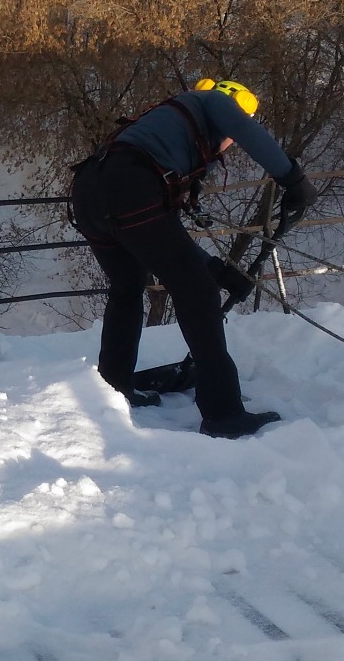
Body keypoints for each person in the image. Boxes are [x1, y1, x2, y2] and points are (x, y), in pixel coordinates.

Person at [69, 79, 318, 439]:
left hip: (91, 191)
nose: (230, 144)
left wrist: (217, 270)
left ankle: (115, 386)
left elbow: (162, 238)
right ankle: (223, 413)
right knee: (198, 295)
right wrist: (293, 180)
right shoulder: (213, 102)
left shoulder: (166, 131)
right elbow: (248, 131)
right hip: (128, 186)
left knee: (127, 288)